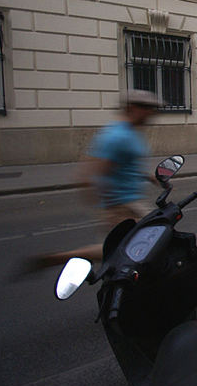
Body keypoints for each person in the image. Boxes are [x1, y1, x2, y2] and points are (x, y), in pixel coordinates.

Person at [28, 89, 161, 269]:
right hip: (123, 204)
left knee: (135, 244)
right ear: (132, 108)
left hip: (130, 201)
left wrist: (148, 176)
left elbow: (123, 164)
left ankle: (62, 258)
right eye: (148, 108)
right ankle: (62, 258)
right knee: (149, 240)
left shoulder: (128, 132)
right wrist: (110, 208)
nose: (152, 113)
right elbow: (89, 175)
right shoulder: (117, 136)